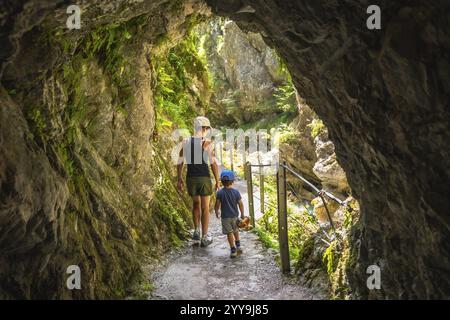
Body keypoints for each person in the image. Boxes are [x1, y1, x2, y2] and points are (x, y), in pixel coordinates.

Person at [177, 116, 220, 247]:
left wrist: (179, 178)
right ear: (204, 128)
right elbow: (213, 164)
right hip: (204, 178)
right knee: (205, 208)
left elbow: (180, 161)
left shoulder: (185, 142)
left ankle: (196, 230)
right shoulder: (206, 143)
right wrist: (218, 180)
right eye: (207, 128)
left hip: (191, 178)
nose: (207, 131)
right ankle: (205, 236)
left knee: (195, 204)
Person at [214, 169, 245, 258]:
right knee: (236, 230)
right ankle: (238, 245)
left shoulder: (219, 192)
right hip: (235, 216)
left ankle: (233, 249)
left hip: (225, 217)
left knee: (229, 233)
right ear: (233, 181)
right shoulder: (236, 192)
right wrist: (242, 214)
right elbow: (240, 204)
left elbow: (217, 204)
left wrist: (217, 212)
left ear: (222, 181)